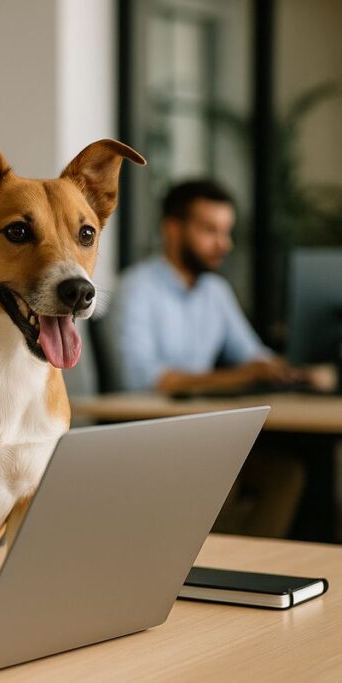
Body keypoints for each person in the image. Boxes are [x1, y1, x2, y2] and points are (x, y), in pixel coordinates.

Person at [109, 179, 305, 537]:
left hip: (202, 432)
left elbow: (253, 356)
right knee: (221, 479)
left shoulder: (215, 292)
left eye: (227, 232)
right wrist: (242, 375)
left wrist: (298, 372)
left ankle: (247, 563)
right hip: (149, 437)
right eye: (210, 230)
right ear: (172, 229)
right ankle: (212, 563)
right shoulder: (136, 288)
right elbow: (141, 380)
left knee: (285, 474)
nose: (224, 244)